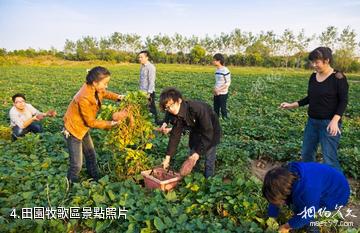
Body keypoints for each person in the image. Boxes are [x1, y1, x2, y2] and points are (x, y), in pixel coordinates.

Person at [279, 47, 348, 170]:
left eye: (317, 62)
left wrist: (335, 121)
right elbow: (310, 97)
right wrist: (292, 104)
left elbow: (343, 101)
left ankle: (336, 186)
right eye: (312, 62)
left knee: (329, 158)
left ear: (326, 61)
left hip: (329, 124)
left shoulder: (338, 78)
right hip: (312, 122)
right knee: (306, 154)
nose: (313, 65)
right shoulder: (313, 77)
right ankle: (311, 178)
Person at [63, 66, 126, 183]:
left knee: (91, 154)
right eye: (105, 83)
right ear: (95, 83)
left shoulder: (95, 88)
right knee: (76, 164)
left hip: (83, 128)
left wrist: (119, 97)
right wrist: (110, 124)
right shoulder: (84, 97)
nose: (106, 86)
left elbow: (104, 93)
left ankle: (95, 178)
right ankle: (70, 186)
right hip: (73, 130)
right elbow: (90, 122)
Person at [263, 162, 350, 233]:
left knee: (303, 211)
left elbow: (308, 213)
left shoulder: (307, 190)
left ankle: (313, 228)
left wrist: (287, 226)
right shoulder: (285, 174)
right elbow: (275, 194)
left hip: (337, 195)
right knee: (295, 202)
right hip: (326, 181)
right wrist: (271, 217)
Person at [159, 87, 221, 178]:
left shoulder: (197, 109)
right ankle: (193, 178)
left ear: (179, 100)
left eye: (172, 105)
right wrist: (167, 159)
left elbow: (208, 133)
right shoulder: (176, 115)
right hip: (195, 130)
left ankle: (209, 181)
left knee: (209, 158)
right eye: (167, 108)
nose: (171, 109)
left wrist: (197, 154)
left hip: (211, 130)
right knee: (192, 152)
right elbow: (175, 137)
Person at [138, 50, 159, 124]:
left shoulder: (151, 67)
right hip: (142, 91)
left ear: (147, 58)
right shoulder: (142, 67)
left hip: (148, 92)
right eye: (139, 57)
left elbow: (151, 81)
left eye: (141, 57)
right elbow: (141, 80)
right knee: (143, 107)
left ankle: (155, 122)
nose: (140, 59)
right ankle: (145, 121)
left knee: (151, 107)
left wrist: (149, 93)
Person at [212, 53, 231, 119]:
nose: (213, 62)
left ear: (219, 61)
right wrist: (215, 89)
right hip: (216, 92)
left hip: (223, 93)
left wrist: (219, 90)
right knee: (215, 108)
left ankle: (225, 121)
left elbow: (228, 83)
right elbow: (217, 82)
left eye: (214, 60)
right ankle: (216, 121)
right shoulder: (217, 70)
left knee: (223, 109)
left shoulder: (225, 70)